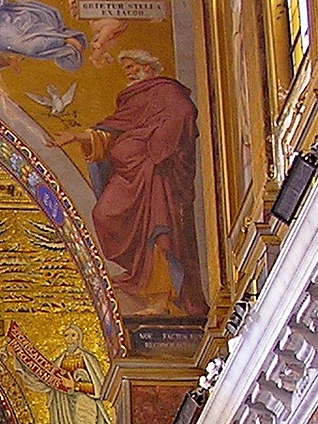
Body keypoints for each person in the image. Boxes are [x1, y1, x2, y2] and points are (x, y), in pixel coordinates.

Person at [50, 49, 205, 317]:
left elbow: (183, 112)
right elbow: (111, 133)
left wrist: (157, 148)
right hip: (128, 176)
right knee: (103, 213)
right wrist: (77, 138)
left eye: (133, 67)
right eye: (128, 69)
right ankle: (140, 281)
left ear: (149, 66)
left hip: (153, 178)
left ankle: (160, 299)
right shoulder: (134, 100)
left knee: (158, 231)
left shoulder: (165, 91)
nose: (130, 72)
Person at [43, 326, 112, 424]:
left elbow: (98, 389)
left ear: (79, 337)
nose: (69, 339)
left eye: (72, 335)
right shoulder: (59, 361)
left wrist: (75, 385)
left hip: (85, 403)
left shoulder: (88, 359)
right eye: (66, 335)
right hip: (65, 408)